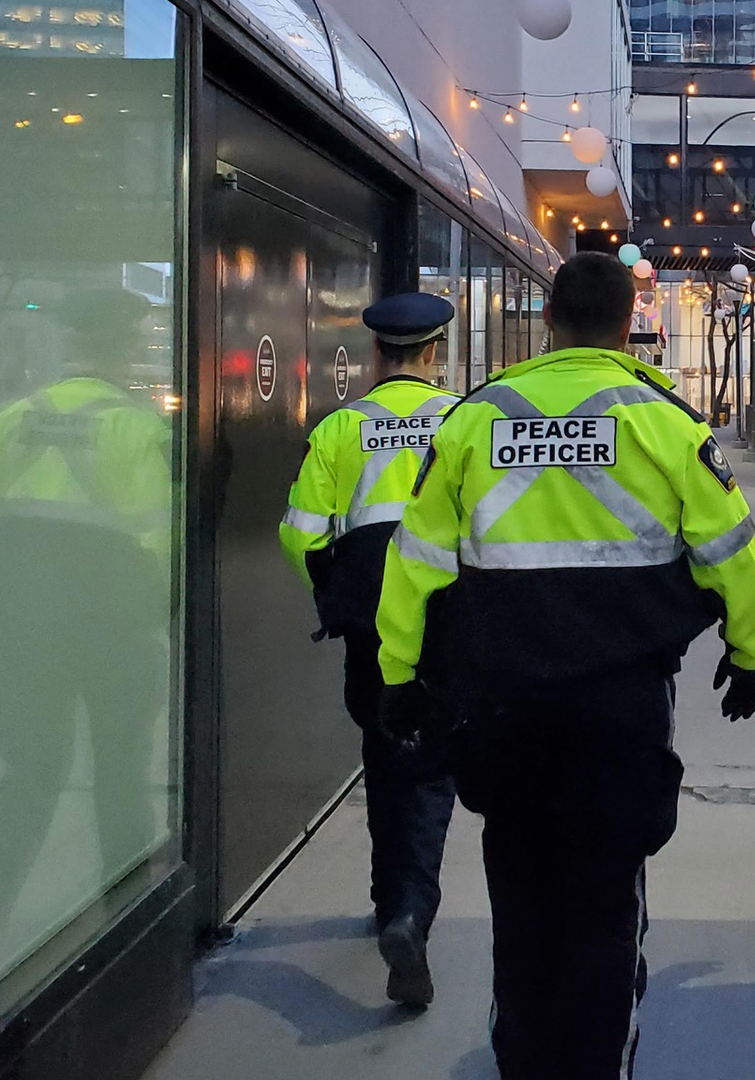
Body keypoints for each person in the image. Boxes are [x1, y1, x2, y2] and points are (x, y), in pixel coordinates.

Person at [376, 252, 755, 1079]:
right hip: (618, 708)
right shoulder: (663, 420)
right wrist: (748, 652)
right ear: (630, 323)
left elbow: (413, 562)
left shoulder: (475, 421)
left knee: (518, 899)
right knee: (605, 901)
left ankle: (523, 1059)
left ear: (549, 319)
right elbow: (731, 550)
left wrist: (400, 676)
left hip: (500, 708)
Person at [0, 288, 172, 956]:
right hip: (114, 634)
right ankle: (131, 930)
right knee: (120, 778)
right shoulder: (138, 429)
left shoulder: (10, 419)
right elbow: (158, 539)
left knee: (26, 778)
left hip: (28, 633)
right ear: (122, 345)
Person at [279, 292, 460, 1007]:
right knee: (427, 767)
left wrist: (340, 596)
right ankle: (410, 912)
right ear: (434, 352)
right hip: (443, 623)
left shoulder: (339, 430)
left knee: (386, 753)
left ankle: (391, 903)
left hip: (371, 626)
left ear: (379, 355)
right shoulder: (462, 422)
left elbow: (300, 534)